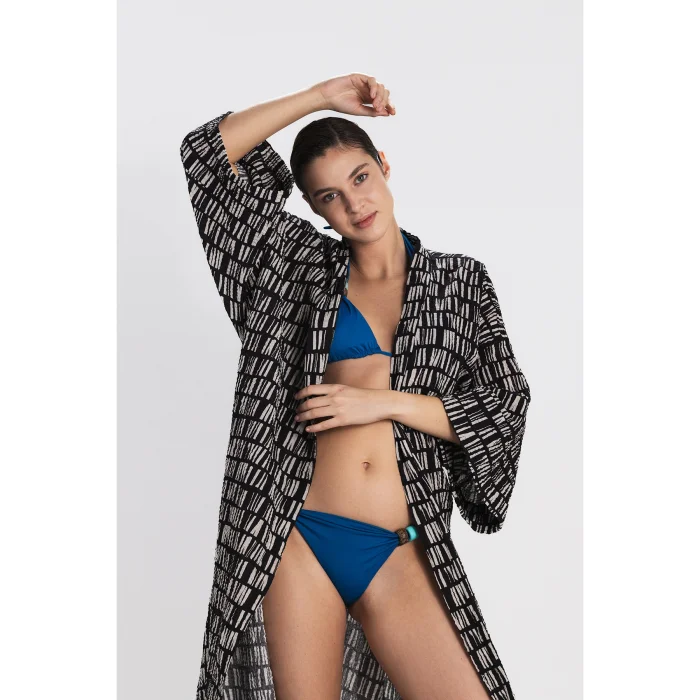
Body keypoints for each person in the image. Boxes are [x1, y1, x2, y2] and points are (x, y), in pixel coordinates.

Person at [179, 73, 531, 700]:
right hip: (297, 534)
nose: (354, 204)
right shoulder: (295, 269)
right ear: (315, 209)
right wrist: (319, 96)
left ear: (384, 166)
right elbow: (205, 154)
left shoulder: (461, 283)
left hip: (400, 544)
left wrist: (378, 403)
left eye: (361, 178)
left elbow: (504, 406)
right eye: (330, 196)